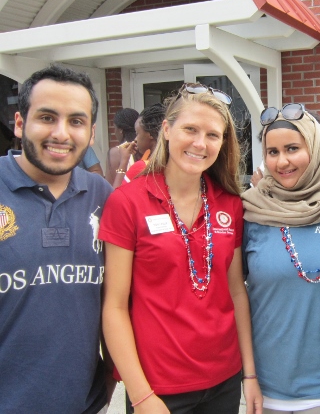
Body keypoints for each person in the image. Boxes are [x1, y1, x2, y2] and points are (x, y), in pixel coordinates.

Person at [99, 84, 262, 413]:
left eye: (213, 135)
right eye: (190, 129)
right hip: (158, 387)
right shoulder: (127, 202)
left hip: (224, 380)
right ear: (167, 130)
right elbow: (114, 306)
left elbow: (236, 293)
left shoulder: (229, 204)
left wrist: (250, 374)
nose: (201, 143)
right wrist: (140, 394)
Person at [0, 65, 113, 413]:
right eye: (47, 117)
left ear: (91, 132)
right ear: (20, 124)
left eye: (76, 121)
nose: (61, 133)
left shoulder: (102, 196)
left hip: (85, 401)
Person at [242, 104, 320, 414]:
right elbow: (233, 294)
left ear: (317, 147)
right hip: (266, 382)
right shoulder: (251, 212)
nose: (281, 161)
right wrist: (248, 374)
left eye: (293, 148)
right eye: (272, 152)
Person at [124, 102, 165, 183]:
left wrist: (123, 161)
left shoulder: (141, 168)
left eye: (137, 133)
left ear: (150, 134)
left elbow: (117, 194)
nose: (135, 139)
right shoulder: (173, 165)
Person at [104, 107, 139, 186]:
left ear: (120, 130)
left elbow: (109, 186)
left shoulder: (115, 152)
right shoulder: (144, 148)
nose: (114, 132)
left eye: (115, 128)